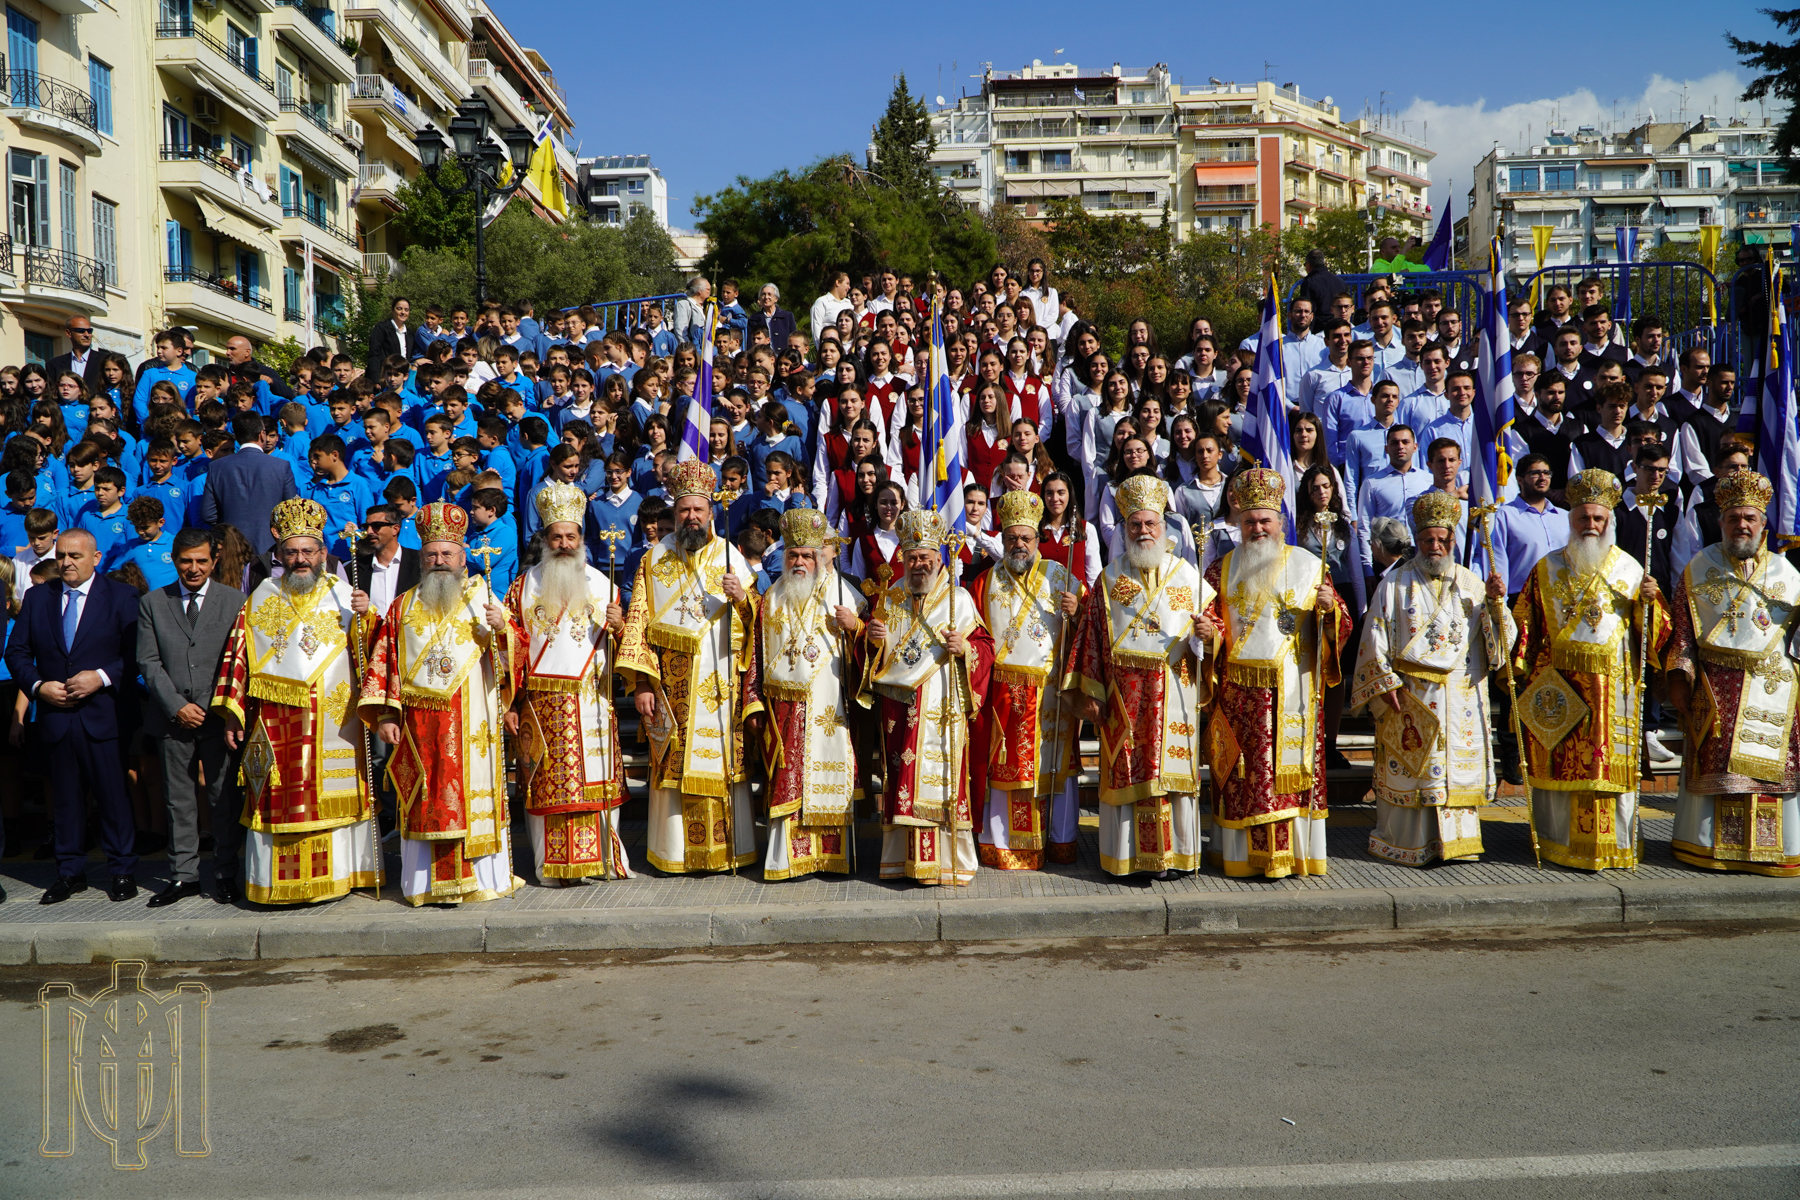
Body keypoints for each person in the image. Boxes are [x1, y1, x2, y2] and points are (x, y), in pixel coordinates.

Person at [209, 499, 378, 904]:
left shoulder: (344, 594)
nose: (300, 559)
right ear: (280, 555)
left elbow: (375, 654)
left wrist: (368, 616)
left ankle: (339, 876)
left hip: (335, 721)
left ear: (323, 553)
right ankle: (277, 885)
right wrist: (232, 716)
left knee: (330, 798)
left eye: (308, 551)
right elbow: (238, 657)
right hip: (276, 721)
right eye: (292, 552)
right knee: (277, 796)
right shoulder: (261, 597)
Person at [357, 503, 521, 906]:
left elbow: (514, 653)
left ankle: (482, 879)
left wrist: (504, 631)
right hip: (420, 728)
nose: (439, 561)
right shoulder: (402, 606)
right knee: (425, 797)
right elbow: (386, 661)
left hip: (473, 721)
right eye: (431, 554)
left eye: (447, 553)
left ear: (463, 557)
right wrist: (386, 714)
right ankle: (425, 884)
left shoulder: (483, 599)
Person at [1509, 469, 1670, 872]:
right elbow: (1526, 623)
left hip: (1615, 690)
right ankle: (1559, 842)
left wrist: (1650, 604)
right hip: (1562, 686)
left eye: (1598, 519)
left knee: (1607, 767)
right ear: (1571, 520)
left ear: (1609, 521)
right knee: (1562, 764)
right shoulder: (1547, 569)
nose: (1591, 526)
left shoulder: (1631, 570)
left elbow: (1653, 634)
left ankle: (1615, 842)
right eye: (1584, 518)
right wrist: (1519, 670)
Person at [1200, 468, 1352, 879]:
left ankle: (1294, 856)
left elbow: (1341, 625)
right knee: (1243, 776)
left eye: (1265, 520)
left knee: (1287, 777)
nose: (1257, 528)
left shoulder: (1308, 564)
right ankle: (1241, 857)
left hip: (1292, 691)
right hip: (1237, 697)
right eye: (1249, 521)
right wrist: (1208, 632)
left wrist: (1329, 610)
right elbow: (1211, 621)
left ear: (1280, 523)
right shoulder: (1221, 568)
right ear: (1238, 523)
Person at [1351, 492, 1515, 866]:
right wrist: (1385, 683)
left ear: (1453, 540)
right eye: (1428, 540)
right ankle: (1409, 843)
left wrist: (1495, 605)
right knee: (1413, 772)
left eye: (1443, 540)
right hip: (1410, 696)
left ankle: (1457, 844)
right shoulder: (1393, 584)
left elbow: (1498, 648)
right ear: (1417, 541)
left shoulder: (1472, 584)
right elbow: (1372, 636)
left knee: (1454, 772)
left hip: (1460, 696)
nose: (1436, 546)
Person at [1065, 476, 1214, 879]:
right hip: (1123, 698)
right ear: (1125, 530)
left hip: (1175, 691)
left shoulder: (1187, 575)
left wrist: (1208, 637)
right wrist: (1091, 694)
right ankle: (1129, 859)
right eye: (1135, 525)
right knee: (1129, 772)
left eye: (1150, 524)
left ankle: (1177, 856)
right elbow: (1091, 639)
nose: (1143, 531)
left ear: (1163, 527)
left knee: (1171, 775)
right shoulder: (1110, 579)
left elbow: (1213, 631)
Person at [618, 459, 759, 874]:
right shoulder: (654, 560)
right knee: (674, 765)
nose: (691, 517)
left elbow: (758, 626)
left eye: (698, 510)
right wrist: (642, 683)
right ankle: (677, 853)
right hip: (671, 686)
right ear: (674, 514)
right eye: (684, 511)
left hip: (720, 683)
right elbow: (638, 624)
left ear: (710, 513)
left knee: (721, 763)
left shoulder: (730, 556)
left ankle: (728, 851)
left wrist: (742, 599)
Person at [1664, 471, 1800, 876]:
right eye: (1734, 518)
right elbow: (1682, 631)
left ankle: (1773, 851)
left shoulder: (1788, 575)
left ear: (1763, 526)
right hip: (1717, 688)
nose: (1742, 525)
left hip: (1775, 687)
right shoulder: (1697, 568)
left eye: (1750, 519)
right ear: (1721, 522)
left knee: (1771, 772)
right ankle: (1711, 849)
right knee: (1721, 772)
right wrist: (1678, 678)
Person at [501, 481, 629, 884]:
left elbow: (625, 646)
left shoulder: (603, 583)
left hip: (592, 701)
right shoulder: (522, 587)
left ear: (581, 538)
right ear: (544, 539)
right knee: (548, 788)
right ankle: (552, 867)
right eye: (556, 536)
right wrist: (509, 702)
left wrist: (619, 626)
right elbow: (511, 648)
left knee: (595, 784)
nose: (563, 543)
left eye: (570, 536)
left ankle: (603, 862)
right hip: (540, 706)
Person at [860, 510, 994, 885]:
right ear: (903, 559)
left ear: (939, 559)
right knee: (903, 776)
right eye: (912, 558)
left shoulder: (960, 599)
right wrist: (874, 642)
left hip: (942, 705)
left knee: (944, 778)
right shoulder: (892, 598)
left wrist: (965, 648)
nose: (918, 564)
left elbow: (985, 649)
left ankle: (949, 864)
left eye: (925, 558)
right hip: (900, 709)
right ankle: (902, 862)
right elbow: (877, 660)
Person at [7, 529, 142, 903]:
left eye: (75, 556)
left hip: (105, 715)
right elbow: (16, 652)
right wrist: (38, 687)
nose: (66, 562)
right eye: (62, 555)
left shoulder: (121, 597)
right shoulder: (38, 598)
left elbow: (135, 654)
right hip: (56, 716)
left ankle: (122, 870)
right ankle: (69, 872)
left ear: (96, 558)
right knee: (64, 799)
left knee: (113, 796)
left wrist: (99, 678)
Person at [742, 508, 866, 880]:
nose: (799, 561)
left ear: (820, 556)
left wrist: (855, 626)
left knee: (826, 777)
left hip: (830, 706)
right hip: (783, 708)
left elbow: (868, 656)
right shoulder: (771, 599)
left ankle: (830, 858)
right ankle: (786, 860)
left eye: (807, 555)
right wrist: (753, 701)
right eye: (793, 554)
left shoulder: (845, 594)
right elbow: (756, 656)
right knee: (786, 779)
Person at [967, 491, 1084, 869]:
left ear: (1038, 540)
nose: (1019, 545)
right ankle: (1004, 846)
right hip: (1003, 695)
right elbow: (976, 639)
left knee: (1055, 769)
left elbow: (1089, 633)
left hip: (1051, 694)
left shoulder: (1060, 575)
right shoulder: (983, 584)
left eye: (1026, 538)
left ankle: (1059, 841)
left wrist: (1077, 610)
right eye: (1012, 538)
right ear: (1001, 540)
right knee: (1006, 769)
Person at [136, 529, 248, 907]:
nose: (194, 568)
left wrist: (211, 704)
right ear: (174, 559)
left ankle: (226, 872)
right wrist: (177, 706)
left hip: (218, 718)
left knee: (223, 799)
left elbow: (239, 659)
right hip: (172, 720)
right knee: (177, 800)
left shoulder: (235, 601)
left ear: (214, 561)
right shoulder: (154, 602)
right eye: (186, 561)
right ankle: (183, 875)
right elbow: (148, 662)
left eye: (202, 561)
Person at [201, 412, 300, 556]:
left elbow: (208, 514)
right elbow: (291, 509)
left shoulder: (217, 467)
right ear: (262, 435)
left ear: (236, 437)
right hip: (270, 547)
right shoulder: (281, 466)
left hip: (231, 546)